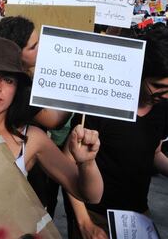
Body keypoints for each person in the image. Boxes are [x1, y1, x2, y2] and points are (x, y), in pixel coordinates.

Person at [0, 37, 103, 204]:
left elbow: (91, 196)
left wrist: (87, 163)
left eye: (8, 80)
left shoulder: (31, 139)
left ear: (17, 88)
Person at [64, 25, 168, 239]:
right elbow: (67, 163)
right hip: (97, 216)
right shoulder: (103, 105)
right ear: (139, 73)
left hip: (138, 218)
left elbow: (155, 153)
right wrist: (84, 223)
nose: (165, 95)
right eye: (158, 86)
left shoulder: (163, 107)